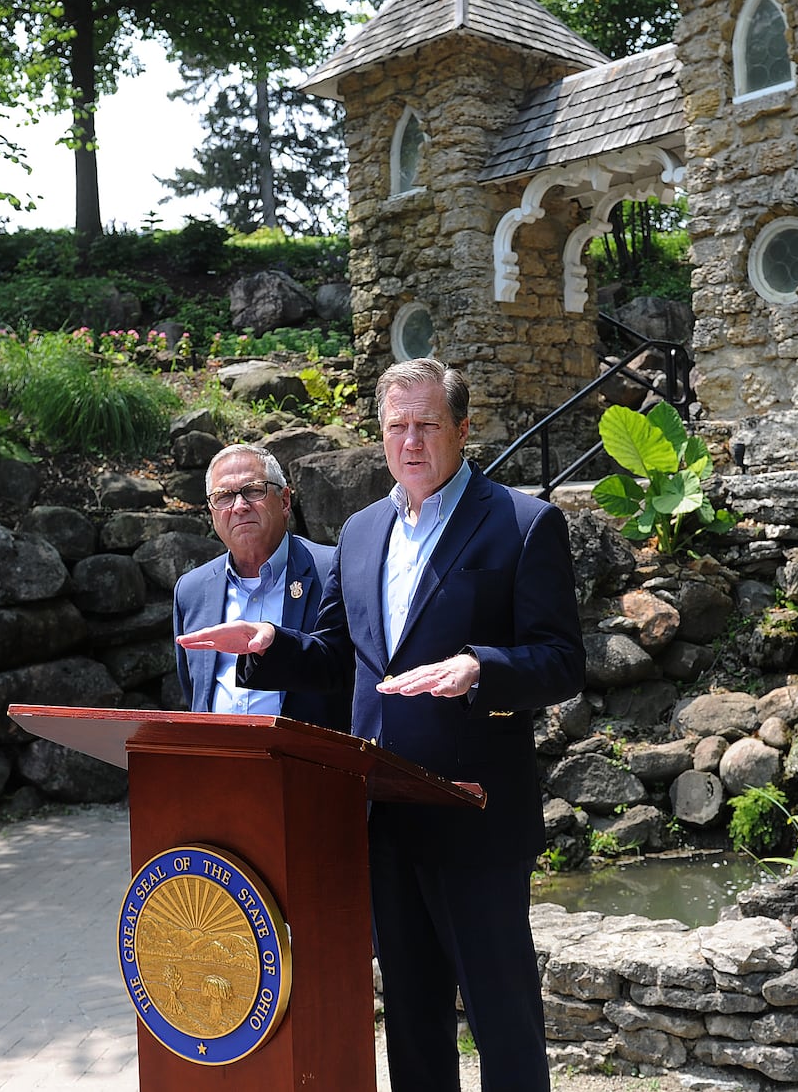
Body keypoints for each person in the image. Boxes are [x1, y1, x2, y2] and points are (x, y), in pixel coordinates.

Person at [178, 358, 586, 1092]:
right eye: (397, 425)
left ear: (463, 429)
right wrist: (272, 645)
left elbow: (561, 661)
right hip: (385, 817)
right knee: (411, 1020)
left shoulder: (524, 524)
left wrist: (481, 668)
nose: (412, 441)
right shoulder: (362, 532)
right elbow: (342, 657)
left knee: (504, 1021)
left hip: (475, 813)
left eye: (428, 424)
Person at [171, 443, 347, 730]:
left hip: (310, 766)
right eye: (224, 496)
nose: (239, 506)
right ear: (212, 513)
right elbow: (195, 692)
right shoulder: (191, 590)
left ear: (285, 501)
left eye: (253, 490)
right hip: (222, 766)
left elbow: (347, 673)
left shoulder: (332, 570)